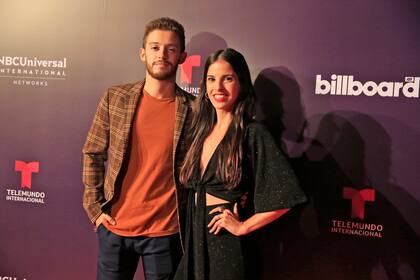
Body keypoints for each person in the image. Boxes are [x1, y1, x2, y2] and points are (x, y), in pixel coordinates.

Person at [174, 48, 307, 280]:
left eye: (228, 78)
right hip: (195, 237)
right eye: (212, 79)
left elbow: (287, 196)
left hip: (226, 244)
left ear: (241, 84)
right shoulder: (200, 131)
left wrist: (243, 227)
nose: (218, 88)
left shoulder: (252, 133)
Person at [82, 17, 194, 280]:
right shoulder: (116, 98)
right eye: (155, 47)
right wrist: (94, 209)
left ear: (182, 57)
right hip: (115, 228)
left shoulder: (196, 109)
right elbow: (92, 152)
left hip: (166, 234)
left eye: (171, 49)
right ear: (142, 53)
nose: (162, 55)